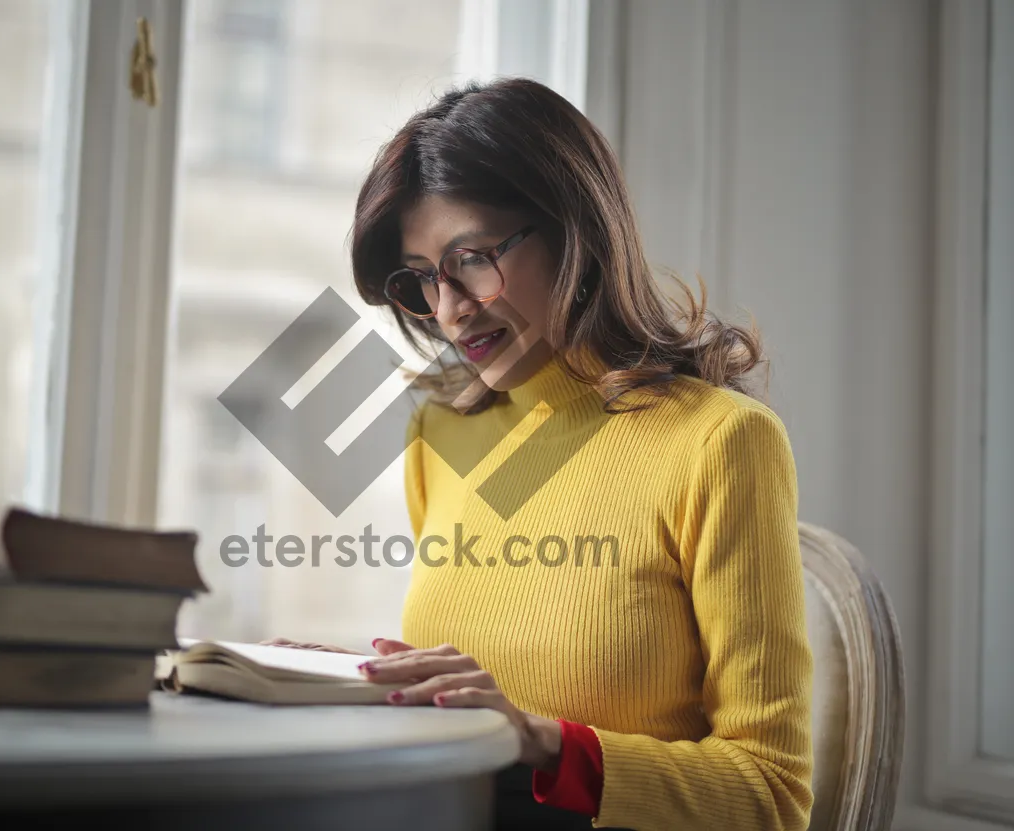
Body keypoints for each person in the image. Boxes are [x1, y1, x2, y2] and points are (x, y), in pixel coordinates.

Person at [265, 77, 813, 830]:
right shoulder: (441, 435)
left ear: (574, 233)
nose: (451, 308)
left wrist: (544, 741)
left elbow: (772, 793)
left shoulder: (721, 443)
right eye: (423, 279)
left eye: (473, 257)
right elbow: (473, 686)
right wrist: (347, 679)